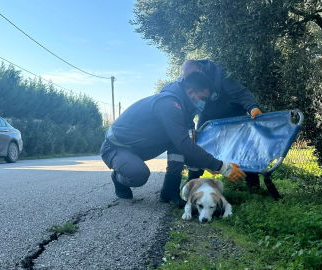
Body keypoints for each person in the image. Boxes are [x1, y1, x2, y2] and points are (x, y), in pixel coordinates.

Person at [100, 71, 247, 207]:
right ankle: (118, 177)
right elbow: (184, 144)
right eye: (203, 98)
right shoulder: (169, 104)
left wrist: (211, 165)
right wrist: (222, 167)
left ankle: (169, 192)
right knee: (139, 175)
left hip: (141, 147)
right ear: (190, 92)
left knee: (179, 143)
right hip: (116, 147)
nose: (205, 103)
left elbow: (186, 148)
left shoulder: (185, 111)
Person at [180, 60, 262, 188]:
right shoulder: (184, 82)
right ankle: (191, 180)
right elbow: (188, 106)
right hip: (207, 117)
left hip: (234, 116)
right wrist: (191, 129)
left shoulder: (219, 75)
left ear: (201, 69)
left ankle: (253, 184)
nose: (190, 80)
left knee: (243, 148)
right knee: (199, 143)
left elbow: (241, 93)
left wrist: (252, 107)